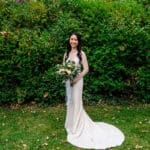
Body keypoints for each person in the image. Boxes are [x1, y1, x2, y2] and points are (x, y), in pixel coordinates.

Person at [63, 32, 125, 149]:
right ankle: (71, 125)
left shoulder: (81, 54)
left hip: (77, 82)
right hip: (68, 83)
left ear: (78, 41)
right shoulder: (66, 54)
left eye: (75, 40)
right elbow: (64, 67)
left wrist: (76, 78)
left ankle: (77, 127)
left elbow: (86, 69)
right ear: (69, 40)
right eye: (72, 39)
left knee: (77, 103)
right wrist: (66, 76)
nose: (73, 41)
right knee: (70, 103)